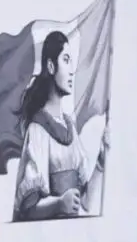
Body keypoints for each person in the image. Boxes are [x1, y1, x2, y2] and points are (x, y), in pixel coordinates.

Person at [11, 31, 108, 222]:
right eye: (66, 60)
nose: (72, 70)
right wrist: (59, 203)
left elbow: (86, 203)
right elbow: (28, 209)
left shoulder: (69, 128)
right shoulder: (38, 130)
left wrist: (100, 161)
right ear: (50, 66)